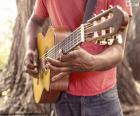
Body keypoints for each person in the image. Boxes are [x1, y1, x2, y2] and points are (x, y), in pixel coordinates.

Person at [24, 0, 132, 116]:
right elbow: (35, 21)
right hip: (59, 93)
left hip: (102, 98)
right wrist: (30, 49)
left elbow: (118, 48)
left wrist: (92, 63)